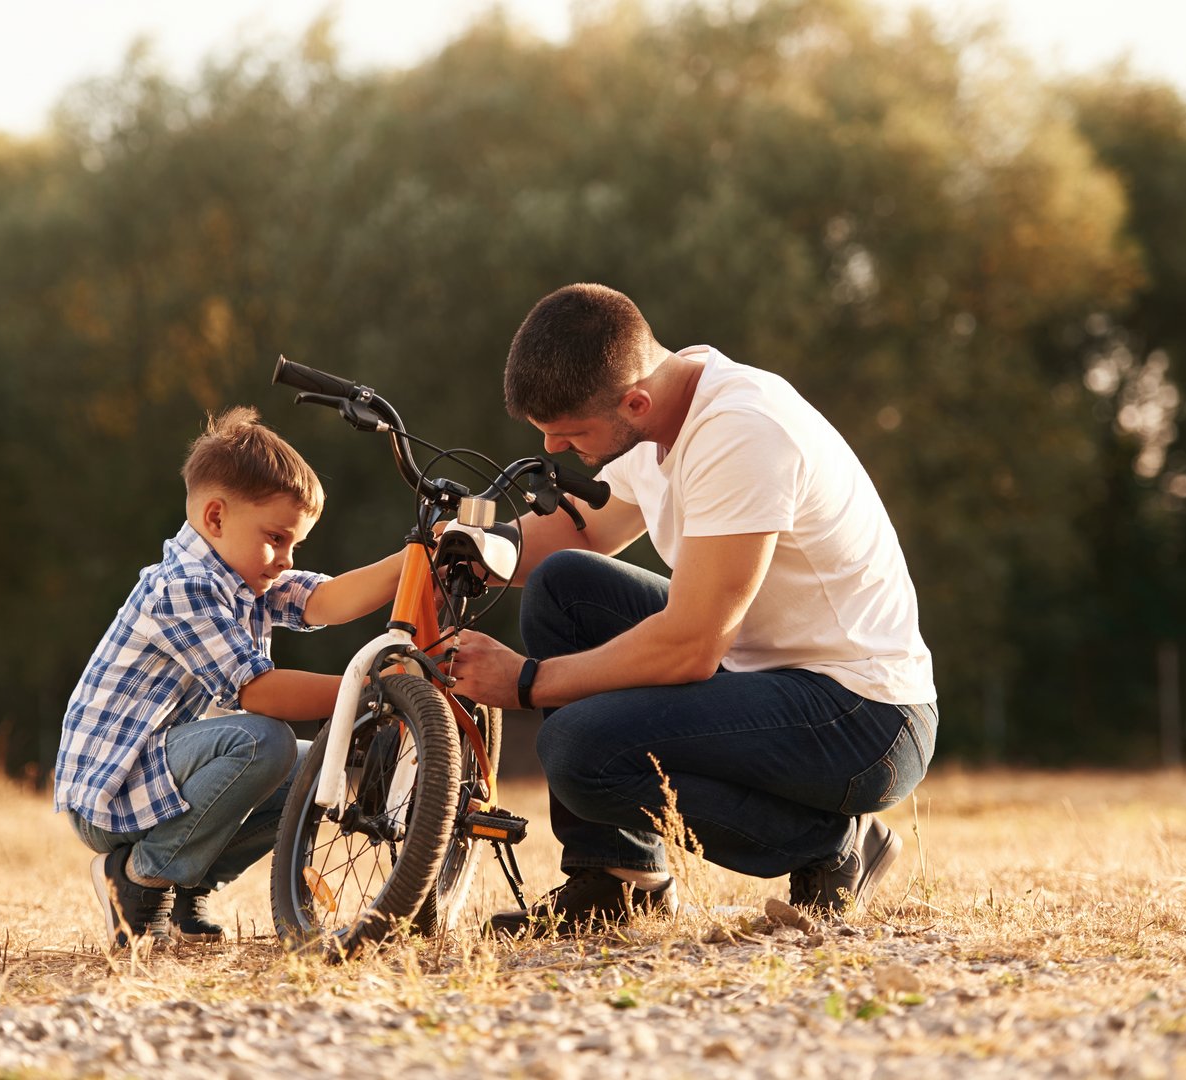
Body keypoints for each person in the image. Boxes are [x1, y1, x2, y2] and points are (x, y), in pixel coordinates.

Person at [450, 284, 937, 936]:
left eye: (569, 435)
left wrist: (526, 682)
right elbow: (578, 534)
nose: (557, 451)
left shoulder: (740, 431)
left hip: (862, 718)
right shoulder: (665, 414)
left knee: (576, 749)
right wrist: (436, 558)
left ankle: (835, 845)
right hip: (769, 678)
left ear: (633, 402)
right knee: (565, 586)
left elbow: (691, 644)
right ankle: (619, 882)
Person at [54, 407, 403, 949]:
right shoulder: (184, 586)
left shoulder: (246, 580)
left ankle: (185, 890)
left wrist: (414, 559)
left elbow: (329, 600)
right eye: (277, 538)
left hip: (166, 777)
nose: (285, 560)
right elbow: (259, 693)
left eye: (295, 546)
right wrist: (368, 686)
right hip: (114, 793)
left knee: (310, 766)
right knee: (266, 740)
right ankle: (137, 878)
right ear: (216, 518)